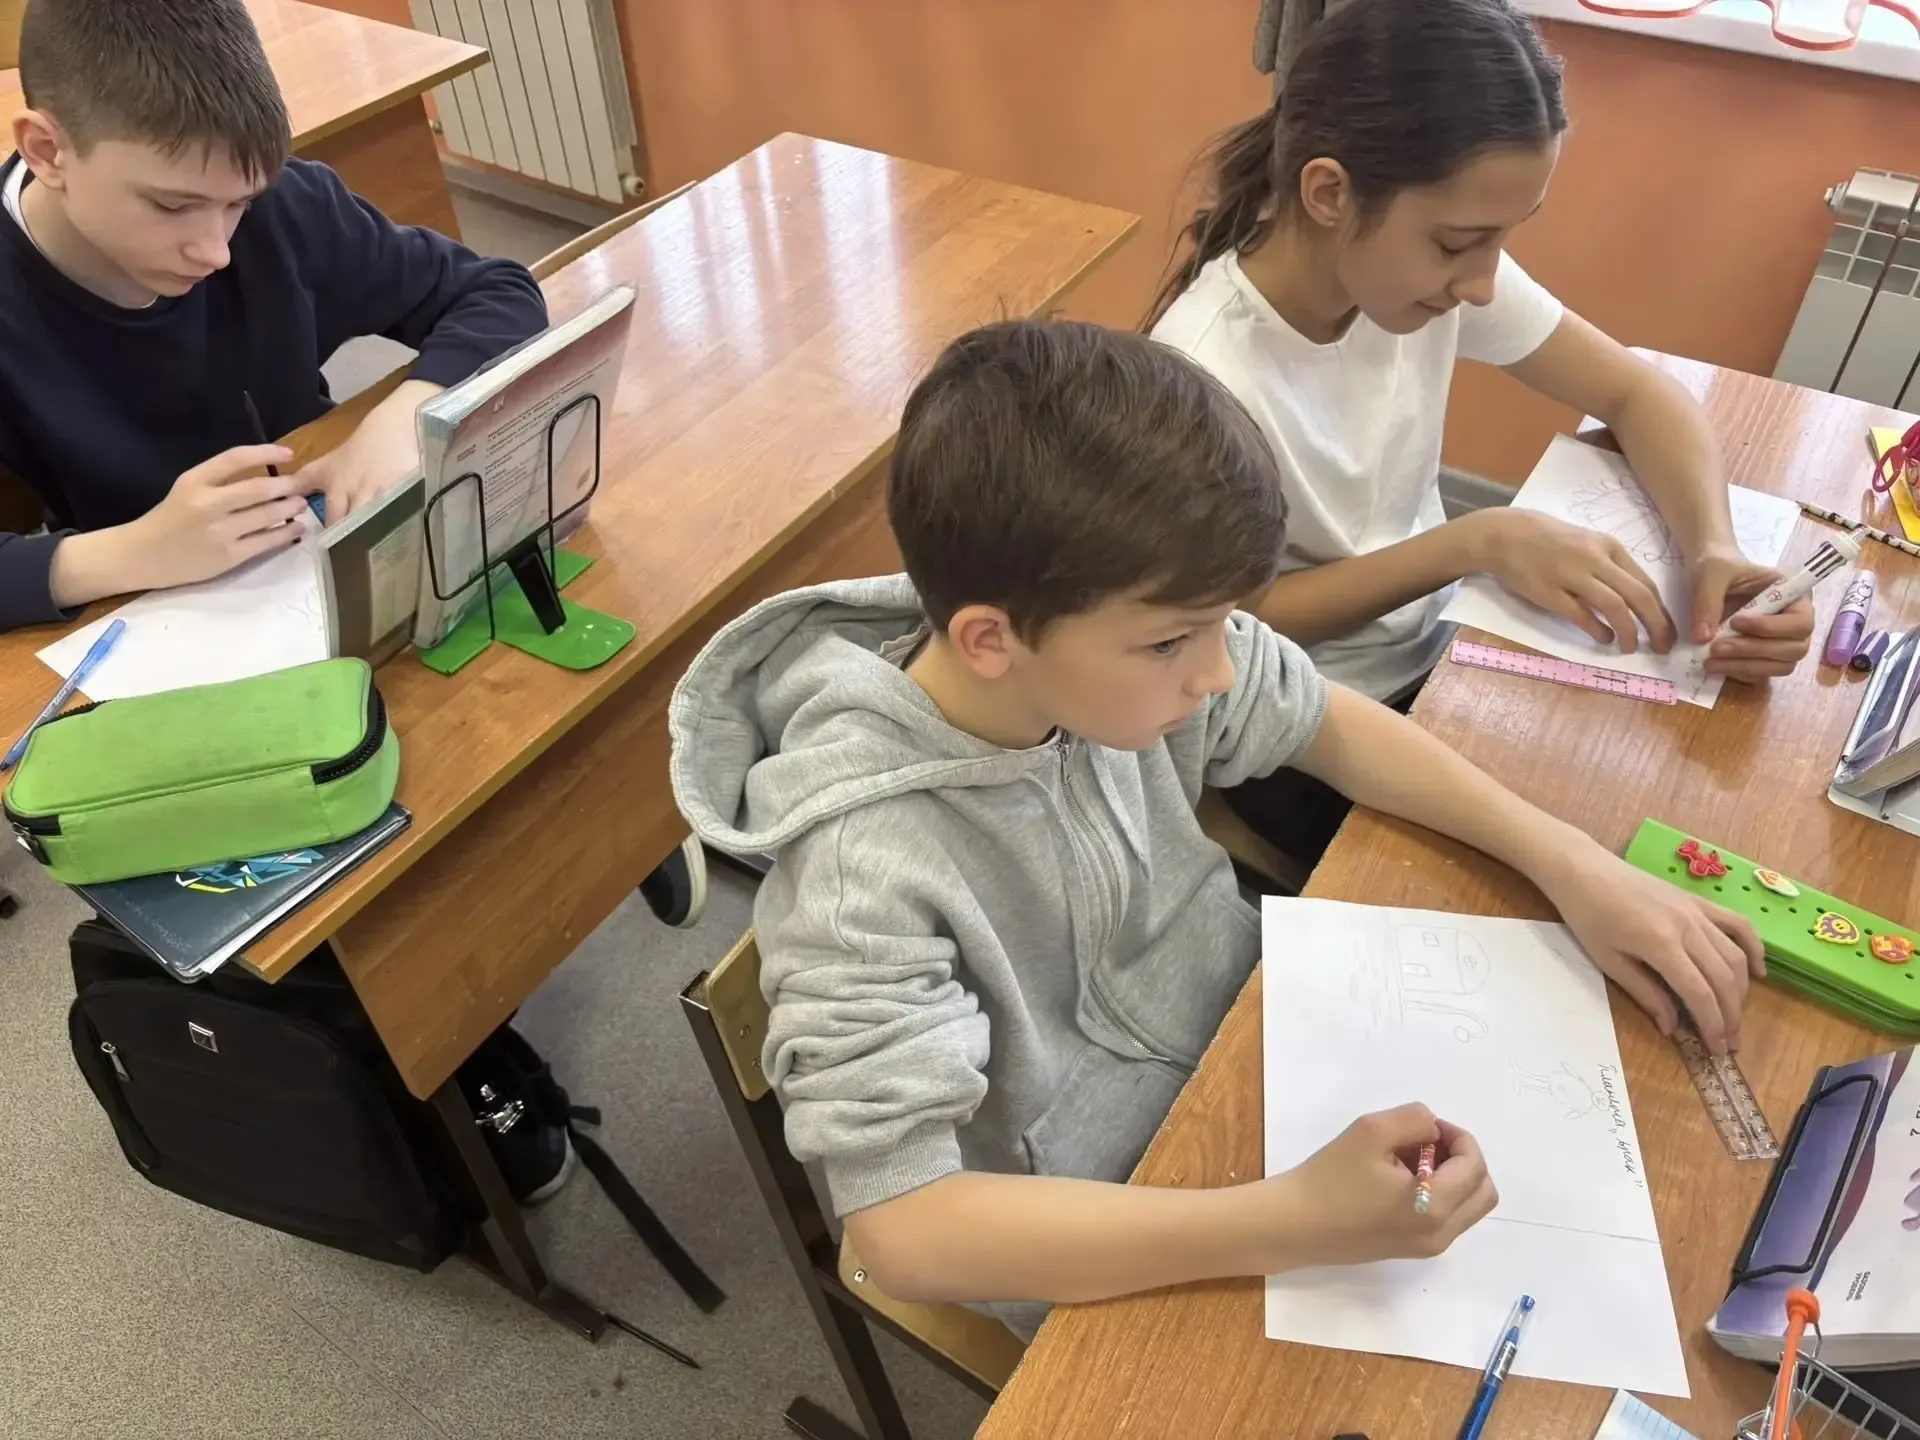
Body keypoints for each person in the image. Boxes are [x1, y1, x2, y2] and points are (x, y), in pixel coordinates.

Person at [669, 319, 1762, 1333]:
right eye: (1175, 642)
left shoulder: (1102, 641)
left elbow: (1322, 718)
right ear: (991, 641)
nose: (1220, 671)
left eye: (1222, 623)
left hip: (1256, 1057)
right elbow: (904, 1233)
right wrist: (1293, 1221)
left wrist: (1574, 864)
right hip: (1102, 1223)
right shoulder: (861, 872)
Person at [1148, 0, 1814, 858]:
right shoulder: (1202, 375)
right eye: (1461, 243)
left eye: (1503, 238)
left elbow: (1639, 393)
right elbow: (1228, 623)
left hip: (1446, 649)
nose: (1484, 283)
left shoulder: (1419, 277)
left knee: (1675, 799)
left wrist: (1712, 550)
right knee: (1585, 855)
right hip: (1306, 726)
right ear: (1329, 194)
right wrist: (1474, 543)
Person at [0, 0, 548, 633]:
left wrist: (410, 414)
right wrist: (128, 553)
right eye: (172, 206)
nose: (216, 251)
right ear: (47, 150)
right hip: (149, 611)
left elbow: (499, 291)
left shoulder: (284, 207)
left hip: (309, 551)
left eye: (238, 202)